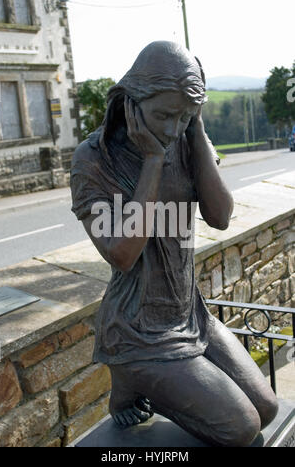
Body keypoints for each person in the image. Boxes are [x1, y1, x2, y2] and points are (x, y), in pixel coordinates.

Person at [70, 41, 278, 447]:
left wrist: (196, 130)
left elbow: (220, 217)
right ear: (131, 101)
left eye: (184, 115)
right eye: (164, 114)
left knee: (267, 408)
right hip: (136, 328)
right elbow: (123, 254)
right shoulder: (93, 158)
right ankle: (133, 378)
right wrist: (152, 160)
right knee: (239, 429)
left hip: (189, 314)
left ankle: (148, 383)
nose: (171, 129)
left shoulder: (186, 138)